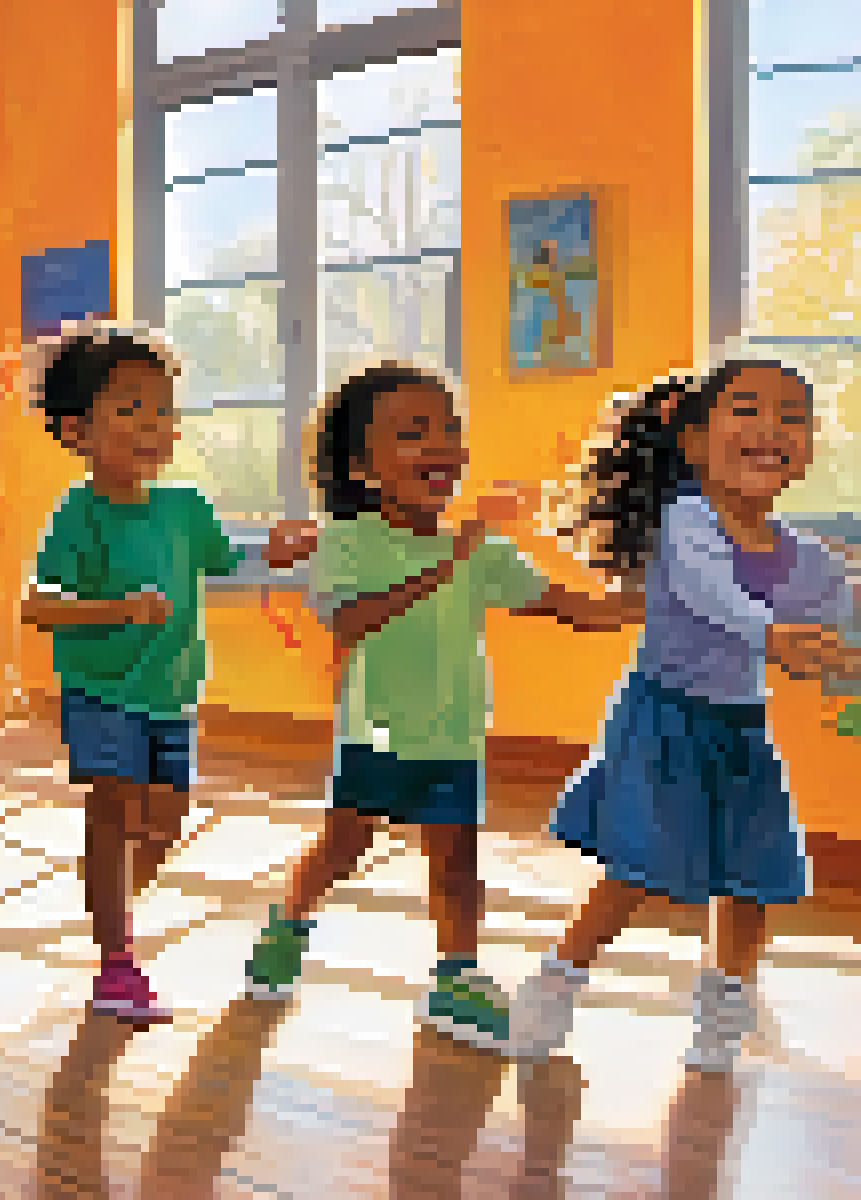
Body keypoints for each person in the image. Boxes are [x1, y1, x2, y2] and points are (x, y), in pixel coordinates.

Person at [238, 363, 637, 1051]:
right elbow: (353, 620)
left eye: (449, 429)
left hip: (454, 737)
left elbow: (578, 611)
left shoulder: (480, 552)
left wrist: (659, 600)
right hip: (378, 734)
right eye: (414, 432)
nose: (442, 445)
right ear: (362, 467)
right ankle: (289, 924)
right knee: (344, 845)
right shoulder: (348, 541)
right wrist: (451, 560)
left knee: (456, 864)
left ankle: (455, 977)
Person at [510, 360, 861, 1071]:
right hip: (665, 719)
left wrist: (846, 652)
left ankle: (725, 1003)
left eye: (791, 417)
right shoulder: (686, 521)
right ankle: (557, 982)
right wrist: (772, 637)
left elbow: (841, 606)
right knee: (639, 867)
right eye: (749, 410)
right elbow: (709, 594)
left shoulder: (797, 553)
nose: (771, 428)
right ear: (694, 442)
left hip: (739, 726)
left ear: (809, 448)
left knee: (752, 870)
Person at [19, 328, 317, 1025]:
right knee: (115, 809)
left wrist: (271, 551)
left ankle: (113, 916)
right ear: (76, 431)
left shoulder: (186, 508)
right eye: (130, 409)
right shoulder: (78, 515)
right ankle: (116, 959)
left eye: (163, 409)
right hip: (102, 692)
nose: (154, 424)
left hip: (170, 695)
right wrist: (117, 609)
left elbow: (230, 561)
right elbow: (38, 604)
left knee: (164, 821)